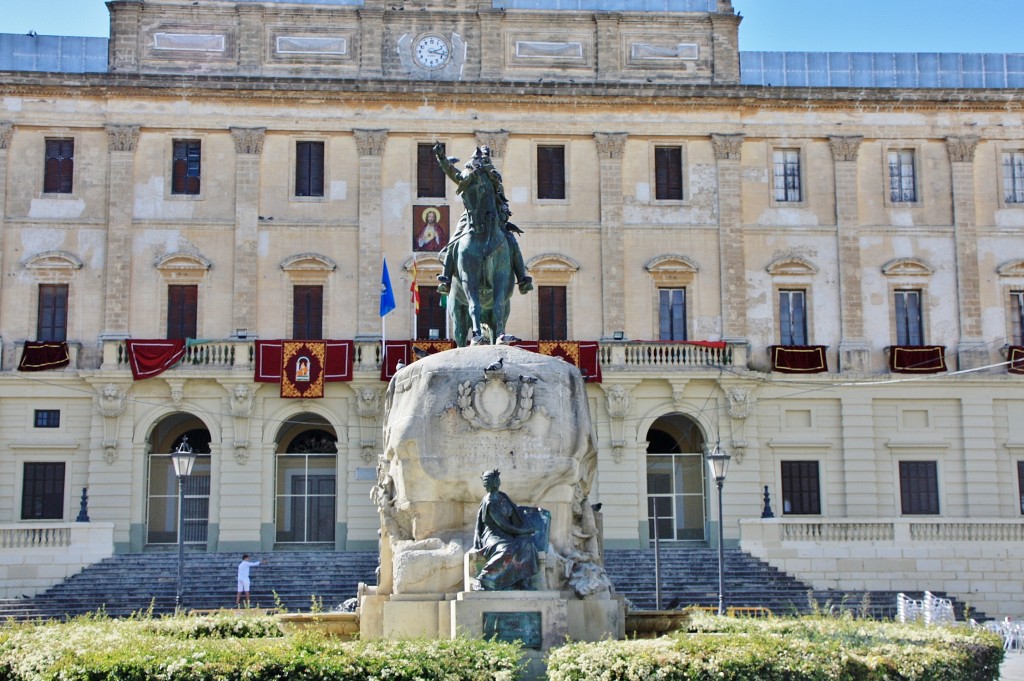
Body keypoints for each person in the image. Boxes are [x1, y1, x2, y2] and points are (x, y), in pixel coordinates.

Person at [433, 143, 532, 296]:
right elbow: (452, 172)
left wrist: (502, 216)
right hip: (470, 218)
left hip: (494, 221)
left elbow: (503, 204)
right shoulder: (468, 178)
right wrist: (441, 158)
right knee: (453, 242)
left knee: (512, 243)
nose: (479, 166)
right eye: (477, 162)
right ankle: (445, 280)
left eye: (483, 163)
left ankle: (522, 279)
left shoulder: (495, 182)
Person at [473, 469, 540, 590]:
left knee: (528, 544)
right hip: (493, 536)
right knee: (506, 550)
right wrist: (525, 531)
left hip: (508, 535)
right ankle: (483, 579)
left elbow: (514, 510)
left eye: (488, 481)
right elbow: (504, 525)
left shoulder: (502, 496)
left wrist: (532, 512)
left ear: (496, 481)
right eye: (485, 482)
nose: (486, 485)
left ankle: (522, 581)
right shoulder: (490, 502)